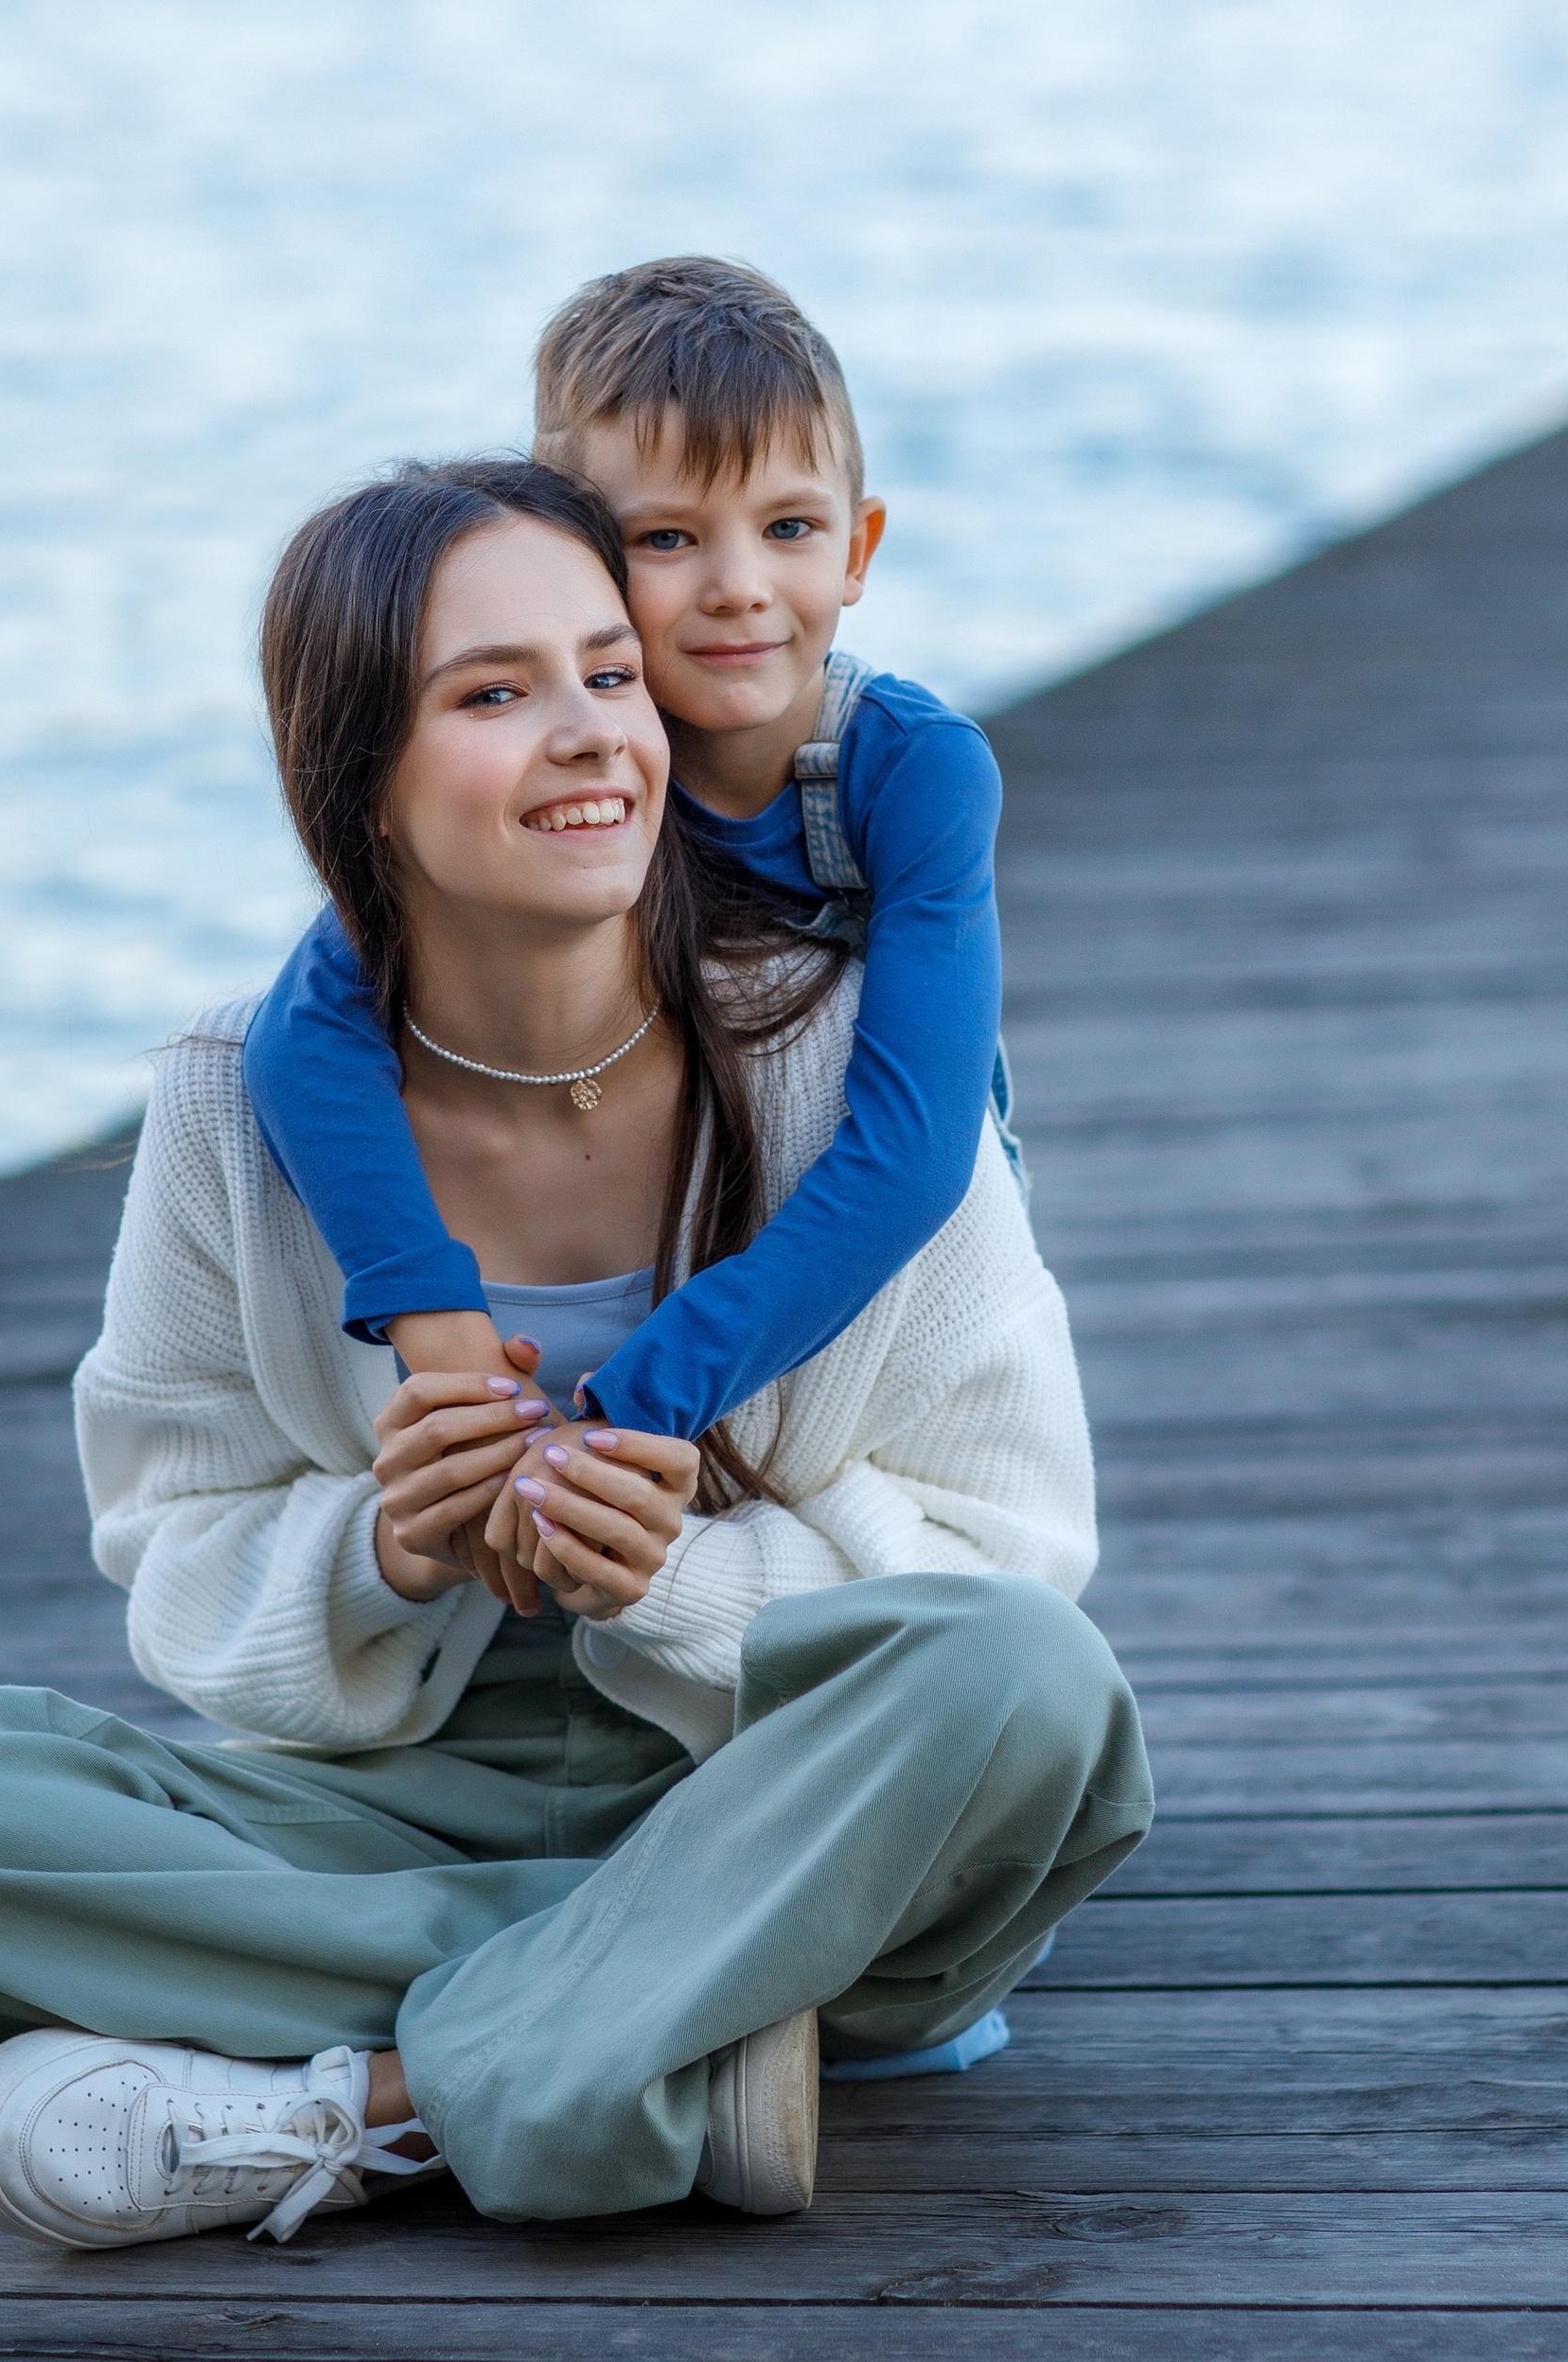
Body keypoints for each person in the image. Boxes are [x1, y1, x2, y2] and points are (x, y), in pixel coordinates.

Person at [0, 458, 1151, 2253]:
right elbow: (174, 1541)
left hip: (784, 1775)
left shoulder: (846, 1071)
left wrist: (689, 1581)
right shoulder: (233, 1104)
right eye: (493, 695)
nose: (588, 736)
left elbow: (1013, 1547)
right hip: (389, 1811)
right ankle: (673, 2029)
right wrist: (382, 1554)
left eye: (608, 673)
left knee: (1030, 1690)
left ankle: (359, 2104)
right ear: (362, 789)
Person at [244, 256, 1015, 1471]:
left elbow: (916, 1152)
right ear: (577, 553)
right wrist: (431, 1318)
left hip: (865, 1221)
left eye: (791, 528)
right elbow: (302, 1026)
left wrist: (651, 1387)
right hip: (614, 1171)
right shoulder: (572, 770)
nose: (738, 589)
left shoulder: (906, 769)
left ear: (858, 547)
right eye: (666, 537)